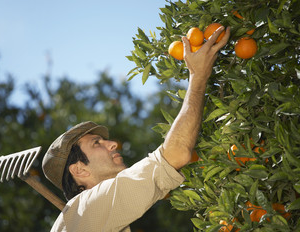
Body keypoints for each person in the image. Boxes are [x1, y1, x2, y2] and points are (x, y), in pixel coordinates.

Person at [42, 26, 231, 232]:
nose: (112, 143)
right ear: (79, 169)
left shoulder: (84, 218)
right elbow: (175, 155)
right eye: (96, 143)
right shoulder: (87, 206)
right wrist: (198, 75)